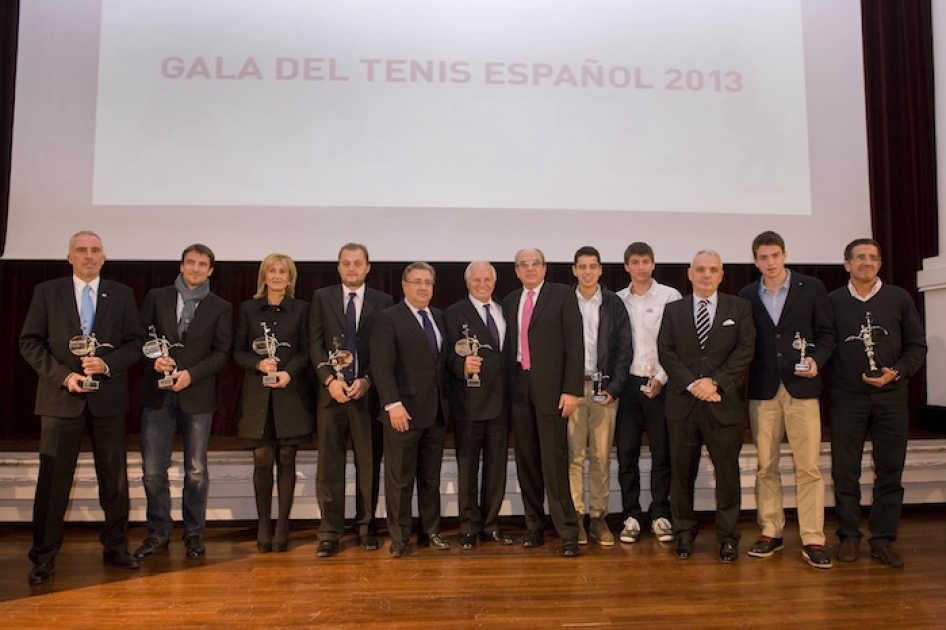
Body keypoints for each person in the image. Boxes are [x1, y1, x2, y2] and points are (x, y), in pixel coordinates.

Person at [20, 231, 145, 585]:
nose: (89, 256)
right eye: (81, 251)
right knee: (53, 482)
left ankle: (116, 546)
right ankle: (43, 557)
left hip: (108, 401)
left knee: (115, 480)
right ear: (69, 257)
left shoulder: (121, 294)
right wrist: (64, 376)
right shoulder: (47, 292)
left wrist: (106, 365)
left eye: (95, 250)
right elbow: (29, 342)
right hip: (61, 400)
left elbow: (135, 343)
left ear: (104, 257)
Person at [738, 231, 835, 569]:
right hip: (763, 391)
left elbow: (826, 334)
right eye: (763, 257)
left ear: (785, 255)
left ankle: (813, 537)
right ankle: (770, 530)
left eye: (775, 255)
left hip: (802, 389)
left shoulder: (812, 288)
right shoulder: (747, 294)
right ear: (755, 261)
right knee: (766, 465)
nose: (770, 262)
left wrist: (816, 360)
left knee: (807, 466)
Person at [828, 238, 926, 568]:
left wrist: (895, 373)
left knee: (890, 470)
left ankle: (883, 539)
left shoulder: (899, 298)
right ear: (847, 264)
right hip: (847, 399)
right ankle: (849, 537)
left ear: (880, 264)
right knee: (845, 471)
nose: (866, 262)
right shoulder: (833, 301)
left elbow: (917, 347)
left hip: (892, 397)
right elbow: (825, 346)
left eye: (872, 257)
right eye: (859, 257)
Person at [135, 244, 232, 561]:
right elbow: (140, 338)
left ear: (211, 270)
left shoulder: (220, 306)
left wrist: (192, 374)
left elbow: (222, 353)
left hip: (197, 395)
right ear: (181, 265)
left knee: (196, 470)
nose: (195, 269)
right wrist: (154, 360)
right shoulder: (157, 296)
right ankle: (158, 532)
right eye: (190, 262)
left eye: (202, 264)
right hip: (158, 394)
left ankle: (193, 533)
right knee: (152, 470)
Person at [658, 250, 755, 563]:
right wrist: (692, 384)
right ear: (689, 273)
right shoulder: (673, 310)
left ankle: (728, 537)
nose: (706, 275)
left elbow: (744, 351)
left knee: (727, 476)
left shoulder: (739, 308)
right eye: (700, 269)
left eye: (713, 270)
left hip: (722, 404)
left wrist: (714, 383)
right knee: (681, 474)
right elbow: (666, 351)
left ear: (721, 274)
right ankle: (684, 532)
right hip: (683, 406)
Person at [309, 243, 392, 557]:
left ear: (368, 267)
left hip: (365, 395)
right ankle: (330, 531)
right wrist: (329, 380)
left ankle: (366, 527)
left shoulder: (383, 301)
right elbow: (314, 344)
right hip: (331, 395)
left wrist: (367, 380)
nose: (352, 268)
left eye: (358, 263)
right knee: (329, 466)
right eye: (346, 263)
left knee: (368, 465)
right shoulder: (322, 297)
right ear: (339, 267)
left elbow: (385, 348)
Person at [503, 248, 584, 557]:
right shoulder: (510, 301)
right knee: (527, 461)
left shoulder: (562, 295)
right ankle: (534, 525)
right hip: (519, 388)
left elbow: (575, 344)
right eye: (524, 264)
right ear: (517, 270)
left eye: (535, 263)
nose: (530, 268)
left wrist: (571, 389)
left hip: (552, 390)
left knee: (554, 461)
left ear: (545, 267)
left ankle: (567, 532)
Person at [233, 253, 314, 553]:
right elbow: (237, 351)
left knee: (287, 459)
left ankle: (283, 527)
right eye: (272, 271)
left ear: (290, 278)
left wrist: (287, 372)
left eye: (283, 271)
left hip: (290, 393)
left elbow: (307, 351)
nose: (278, 276)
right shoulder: (248, 309)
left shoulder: (302, 309)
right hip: (258, 395)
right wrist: (258, 365)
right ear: (264, 276)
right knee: (262, 459)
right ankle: (263, 526)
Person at [370, 262, 451, 557]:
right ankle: (400, 536)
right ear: (404, 286)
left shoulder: (440, 318)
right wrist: (393, 404)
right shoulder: (388, 318)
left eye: (428, 282)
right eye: (416, 281)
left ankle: (431, 531)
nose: (423, 287)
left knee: (430, 478)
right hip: (403, 413)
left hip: (436, 413)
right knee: (400, 479)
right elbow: (381, 366)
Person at [614, 242, 682, 544]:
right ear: (626, 266)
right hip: (628, 385)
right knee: (626, 453)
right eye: (634, 262)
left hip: (661, 384)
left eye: (646, 261)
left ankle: (659, 514)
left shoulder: (670, 296)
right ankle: (630, 515)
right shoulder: (617, 300)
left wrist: (662, 377)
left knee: (662, 453)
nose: (641, 267)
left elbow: (678, 343)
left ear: (653, 264)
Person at [443, 261, 514, 549]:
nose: (482, 284)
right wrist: (461, 364)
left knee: (496, 467)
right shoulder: (452, 313)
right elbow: (444, 357)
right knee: (468, 466)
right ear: (467, 282)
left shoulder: (505, 310)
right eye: (476, 280)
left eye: (487, 279)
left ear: (494, 282)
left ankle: (491, 524)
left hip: (501, 402)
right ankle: (469, 526)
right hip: (469, 402)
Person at [567, 246, 632, 546]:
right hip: (572, 389)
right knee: (575, 456)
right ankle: (577, 518)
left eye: (593, 266)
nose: (588, 271)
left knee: (602, 456)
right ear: (574, 270)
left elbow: (623, 351)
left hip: (604, 389)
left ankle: (598, 518)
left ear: (601, 270)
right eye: (582, 266)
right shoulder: (564, 301)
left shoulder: (614, 303)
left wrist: (614, 388)